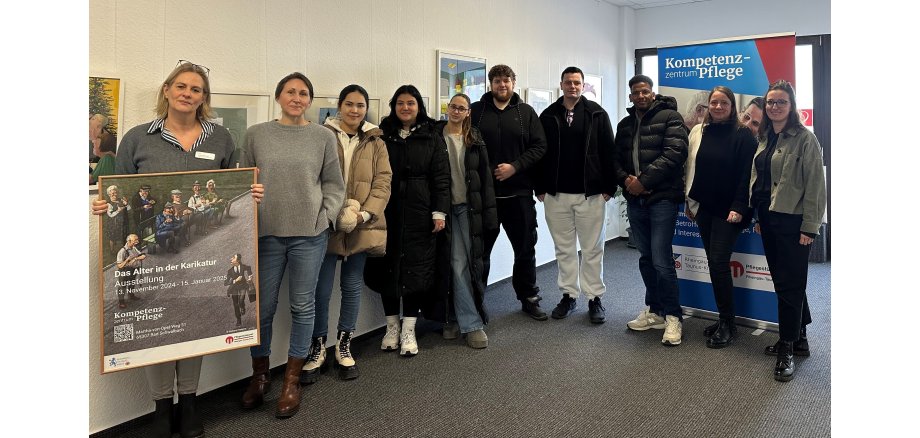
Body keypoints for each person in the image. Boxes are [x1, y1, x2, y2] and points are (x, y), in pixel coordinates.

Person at [92, 60, 263, 438]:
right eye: (181, 86)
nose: (188, 93)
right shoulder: (138, 137)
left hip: (201, 252)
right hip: (157, 254)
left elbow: (229, 181)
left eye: (196, 89)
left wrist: (252, 192)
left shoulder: (221, 138)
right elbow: (116, 188)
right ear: (167, 90)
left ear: (204, 98)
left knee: (193, 309)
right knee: (157, 317)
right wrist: (104, 204)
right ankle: (160, 406)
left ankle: (189, 400)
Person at [239, 72, 345, 418]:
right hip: (266, 234)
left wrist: (327, 218)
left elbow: (334, 184)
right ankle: (260, 377)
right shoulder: (256, 135)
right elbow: (242, 181)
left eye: (303, 93)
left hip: (308, 235)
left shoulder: (322, 137)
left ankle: (291, 381)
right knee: (262, 309)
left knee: (302, 306)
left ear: (310, 100)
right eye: (290, 92)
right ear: (278, 97)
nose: (297, 98)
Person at [303, 84, 392, 383]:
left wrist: (364, 214)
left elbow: (383, 182)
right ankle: (318, 345)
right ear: (339, 106)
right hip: (327, 225)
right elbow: (311, 179)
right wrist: (330, 214)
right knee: (322, 289)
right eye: (349, 104)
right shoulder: (321, 135)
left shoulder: (376, 141)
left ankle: (344, 343)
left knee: (352, 286)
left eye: (360, 105)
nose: (355, 110)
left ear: (366, 109)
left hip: (361, 225)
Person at [364, 84, 449, 357]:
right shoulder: (381, 135)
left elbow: (441, 176)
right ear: (393, 106)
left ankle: (409, 328)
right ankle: (392, 326)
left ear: (418, 107)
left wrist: (439, 211)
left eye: (410, 103)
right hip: (387, 208)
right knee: (386, 266)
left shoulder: (432, 136)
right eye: (400, 103)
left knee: (416, 268)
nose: (405, 108)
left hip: (421, 210)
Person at [749, 80, 826, 382]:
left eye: (781, 102)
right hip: (768, 219)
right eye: (770, 102)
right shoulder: (766, 136)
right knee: (786, 283)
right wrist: (757, 215)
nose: (775, 107)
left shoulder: (805, 139)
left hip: (794, 223)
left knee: (789, 286)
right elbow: (761, 180)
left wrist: (810, 226)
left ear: (792, 106)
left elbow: (816, 188)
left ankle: (787, 348)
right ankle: (800, 338)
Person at [535, 66, 617, 324]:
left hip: (590, 194)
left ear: (583, 86)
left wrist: (609, 187)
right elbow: (539, 152)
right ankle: (569, 294)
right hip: (556, 194)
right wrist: (540, 187)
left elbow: (609, 151)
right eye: (568, 82)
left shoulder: (597, 114)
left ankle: (594, 298)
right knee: (564, 249)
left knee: (593, 249)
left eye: (577, 83)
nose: (572, 86)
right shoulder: (547, 116)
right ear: (561, 85)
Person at [469, 64, 548, 320]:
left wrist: (515, 167)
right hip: (485, 197)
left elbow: (539, 146)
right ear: (490, 84)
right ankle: (476, 302)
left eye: (506, 80)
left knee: (525, 249)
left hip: (519, 195)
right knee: (480, 253)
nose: (502, 85)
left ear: (513, 83)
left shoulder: (526, 113)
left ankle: (528, 297)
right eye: (497, 81)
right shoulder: (477, 112)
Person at [614, 74, 688, 346]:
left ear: (652, 93)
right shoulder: (624, 124)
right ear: (631, 96)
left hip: (662, 200)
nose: (641, 96)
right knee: (645, 257)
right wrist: (627, 182)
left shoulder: (671, 117)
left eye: (645, 91)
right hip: (636, 201)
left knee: (661, 259)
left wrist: (643, 182)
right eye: (636, 92)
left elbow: (675, 154)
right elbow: (615, 161)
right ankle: (655, 311)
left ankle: (673, 317)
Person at [683, 86, 758, 348]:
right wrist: (690, 201)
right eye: (713, 102)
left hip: (730, 212)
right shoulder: (701, 131)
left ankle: (728, 324)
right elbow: (693, 168)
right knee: (715, 265)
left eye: (723, 102)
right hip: (704, 209)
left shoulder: (743, 134)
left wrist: (739, 207)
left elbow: (747, 176)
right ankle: (724, 318)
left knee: (717, 263)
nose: (717, 107)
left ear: (732, 106)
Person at [435, 93, 497, 349]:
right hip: (439, 210)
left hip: (466, 210)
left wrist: (490, 215)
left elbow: (485, 180)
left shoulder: (475, 139)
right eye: (453, 107)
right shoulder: (435, 137)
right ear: (447, 109)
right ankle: (453, 318)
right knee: (443, 263)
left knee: (462, 263)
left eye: (462, 108)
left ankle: (468, 322)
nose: (456, 111)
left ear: (469, 112)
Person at [115, 234, 147, 309]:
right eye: (135, 240)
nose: (137, 241)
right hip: (125, 271)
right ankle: (121, 302)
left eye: (137, 240)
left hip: (133, 270)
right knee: (122, 286)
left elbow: (143, 255)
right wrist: (126, 260)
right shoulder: (122, 251)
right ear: (129, 241)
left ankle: (131, 295)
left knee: (132, 283)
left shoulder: (134, 248)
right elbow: (119, 265)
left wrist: (135, 259)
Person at [224, 253, 253, 327]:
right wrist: (235, 280)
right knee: (235, 304)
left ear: (238, 261)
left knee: (241, 299)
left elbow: (249, 268)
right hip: (234, 288)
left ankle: (242, 306)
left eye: (233, 257)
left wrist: (250, 277)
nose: (231, 259)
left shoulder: (243, 267)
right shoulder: (230, 271)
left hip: (243, 286)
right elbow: (226, 283)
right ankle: (238, 320)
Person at [104, 185, 131, 256]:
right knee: (113, 237)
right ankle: (112, 250)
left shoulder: (121, 200)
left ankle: (125, 249)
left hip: (123, 221)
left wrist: (126, 204)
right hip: (114, 223)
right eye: (112, 193)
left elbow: (129, 209)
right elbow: (110, 215)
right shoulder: (109, 203)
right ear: (109, 194)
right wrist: (118, 211)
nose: (114, 195)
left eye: (115, 193)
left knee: (123, 235)